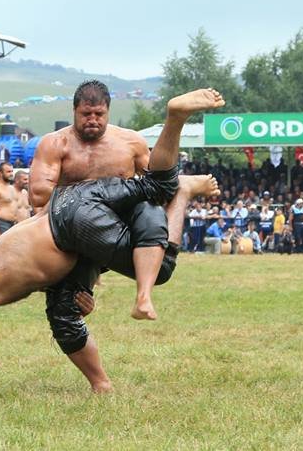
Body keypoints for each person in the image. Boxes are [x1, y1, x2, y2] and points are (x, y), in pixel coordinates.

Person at [0, 88, 223, 410]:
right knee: (64, 315)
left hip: (70, 220)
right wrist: (80, 289)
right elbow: (34, 269)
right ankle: (101, 384)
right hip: (70, 218)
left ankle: (178, 153)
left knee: (161, 253)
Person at [30, 81, 216, 320]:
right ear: (74, 112)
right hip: (73, 229)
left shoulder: (130, 142)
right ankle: (184, 182)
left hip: (118, 224)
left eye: (99, 114)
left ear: (108, 111)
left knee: (151, 211)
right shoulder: (55, 143)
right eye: (86, 114)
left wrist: (174, 198)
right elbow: (39, 197)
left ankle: (144, 298)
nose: (93, 119)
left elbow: (159, 184)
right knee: (67, 312)